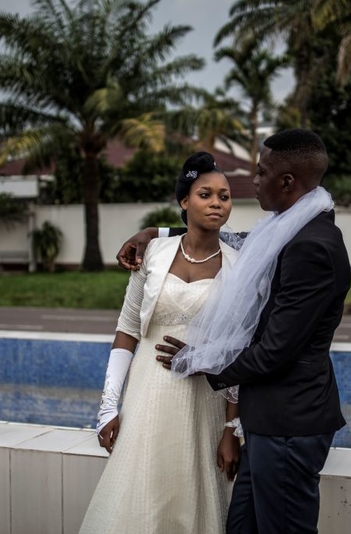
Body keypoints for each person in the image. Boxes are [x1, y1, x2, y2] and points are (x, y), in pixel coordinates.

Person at [118, 129, 351, 533]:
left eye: (261, 173)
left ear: (287, 182)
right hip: (266, 423)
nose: (254, 182)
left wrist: (198, 360)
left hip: (289, 425)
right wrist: (153, 234)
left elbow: (275, 350)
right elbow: (220, 237)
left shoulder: (310, 246)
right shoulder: (284, 229)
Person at [79, 152, 241, 534]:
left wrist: (231, 428)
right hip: (148, 393)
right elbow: (127, 330)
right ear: (184, 201)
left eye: (225, 195)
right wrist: (107, 406)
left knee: (191, 493)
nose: (216, 202)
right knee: (139, 492)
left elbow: (237, 349)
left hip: (204, 396)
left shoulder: (239, 266)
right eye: (205, 194)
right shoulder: (152, 252)